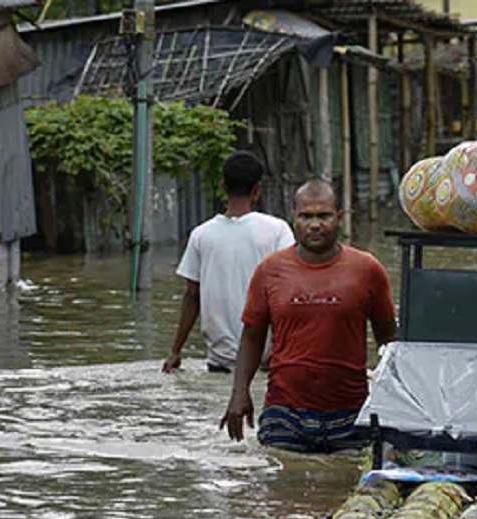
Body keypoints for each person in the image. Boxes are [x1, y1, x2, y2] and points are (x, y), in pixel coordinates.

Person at [220, 179, 398, 453]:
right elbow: (252, 337)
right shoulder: (270, 271)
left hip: (351, 413)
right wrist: (238, 392)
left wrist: (395, 402)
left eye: (324, 216)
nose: (315, 225)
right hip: (284, 412)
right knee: (282, 488)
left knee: (343, 489)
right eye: (306, 216)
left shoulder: (367, 269)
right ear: (294, 218)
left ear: (339, 218)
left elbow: (389, 339)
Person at [162, 151, 295, 373]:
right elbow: (290, 292)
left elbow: (191, 297)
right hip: (266, 363)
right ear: (257, 190)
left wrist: (176, 351)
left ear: (223, 186)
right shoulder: (277, 230)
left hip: (219, 364)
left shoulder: (201, 235)